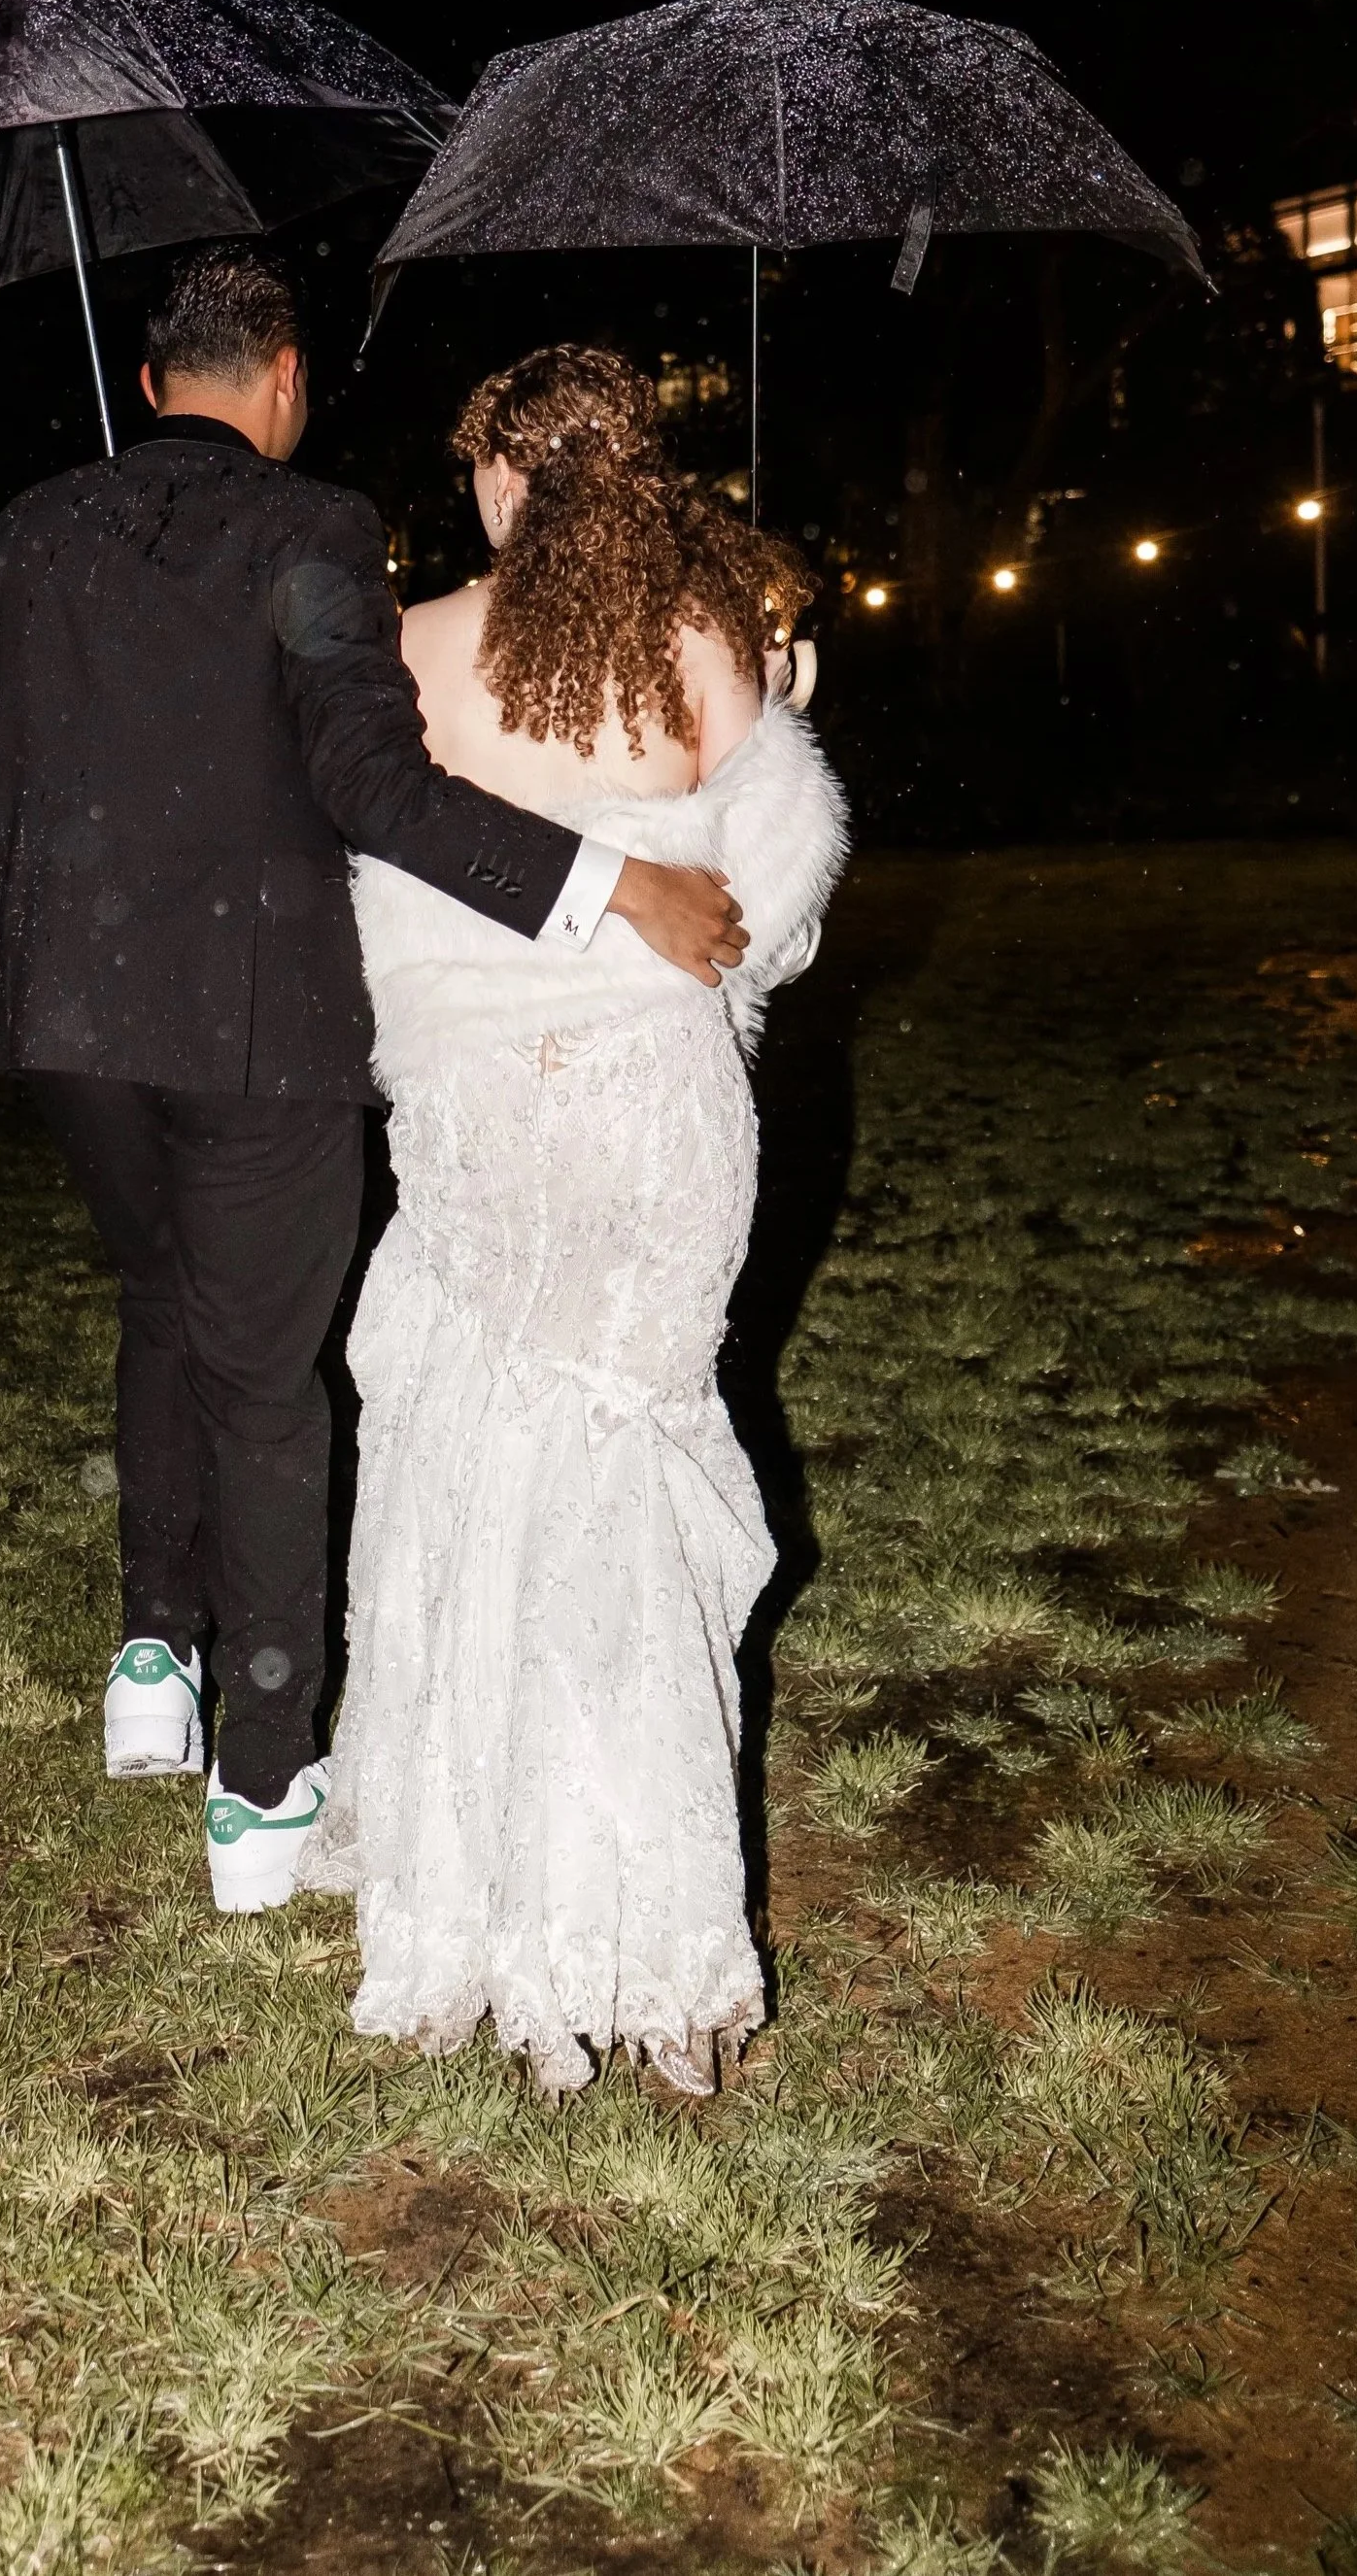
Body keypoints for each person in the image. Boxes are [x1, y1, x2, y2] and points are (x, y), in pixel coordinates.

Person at [0, 252, 750, 1913]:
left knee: (161, 1300)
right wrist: (610, 883)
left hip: (64, 1013)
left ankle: (150, 1657)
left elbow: (11, 742)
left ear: (158, 374)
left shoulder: (21, 534)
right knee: (263, 1379)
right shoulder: (313, 532)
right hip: (251, 1020)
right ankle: (259, 1784)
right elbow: (377, 782)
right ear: (289, 379)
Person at [299, 344, 847, 2092]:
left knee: (485, 1464)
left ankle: (488, 1906)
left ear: (491, 480)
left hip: (487, 1122)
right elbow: (771, 917)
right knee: (628, 1466)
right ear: (640, 477)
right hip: (661, 1117)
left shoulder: (420, 648)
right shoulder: (712, 642)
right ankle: (655, 1942)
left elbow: (356, 847)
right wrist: (781, 705)